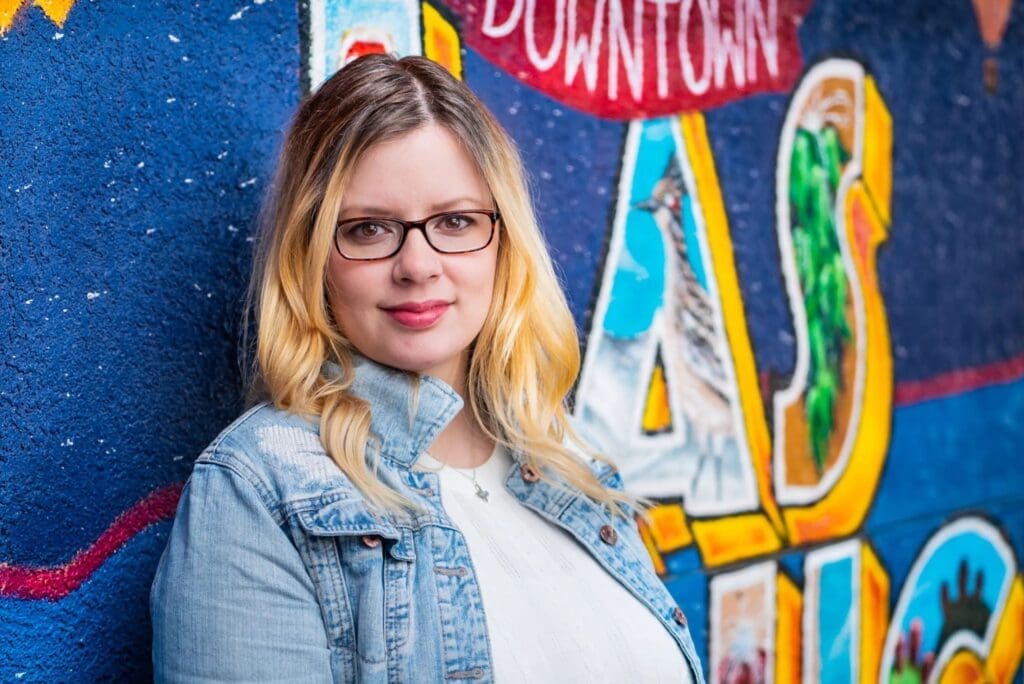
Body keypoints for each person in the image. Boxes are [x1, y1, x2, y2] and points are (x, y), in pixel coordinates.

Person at [149, 53, 703, 683]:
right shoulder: (260, 491)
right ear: (313, 255)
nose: (417, 264)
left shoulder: (571, 468)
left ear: (505, 240)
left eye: (455, 221)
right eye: (367, 229)